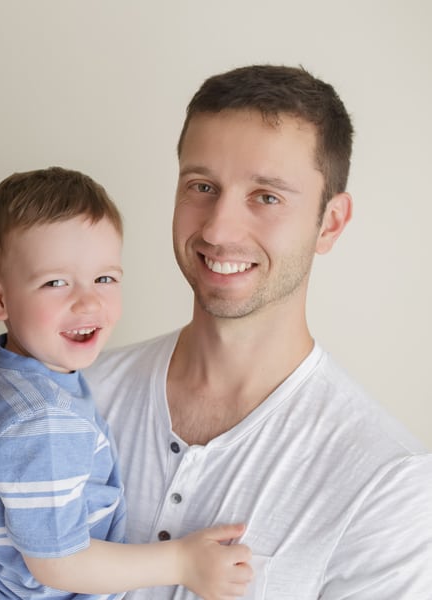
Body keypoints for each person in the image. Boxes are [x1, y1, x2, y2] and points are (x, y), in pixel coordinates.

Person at [86, 64, 432, 598]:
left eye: (266, 196)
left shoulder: (385, 481)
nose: (218, 229)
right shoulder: (78, 393)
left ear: (330, 222)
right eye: (202, 187)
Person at [0, 167, 252, 600]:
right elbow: (58, 561)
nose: (89, 301)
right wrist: (182, 562)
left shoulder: (10, 371)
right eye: (55, 282)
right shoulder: (43, 420)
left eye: (105, 279)